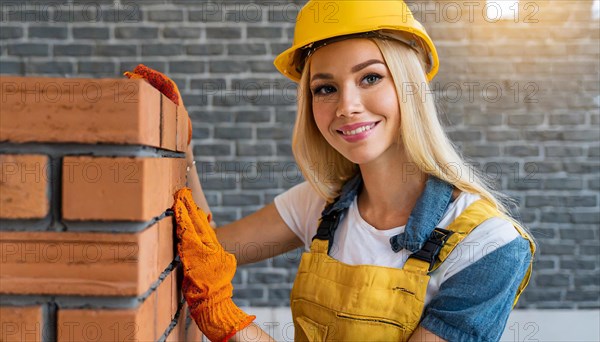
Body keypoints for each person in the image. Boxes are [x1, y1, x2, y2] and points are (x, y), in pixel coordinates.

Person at [173, 1, 536, 341]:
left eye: (370, 78)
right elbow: (209, 248)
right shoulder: (320, 204)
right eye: (326, 88)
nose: (346, 106)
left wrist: (231, 324)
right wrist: (181, 151)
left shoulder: (488, 243)